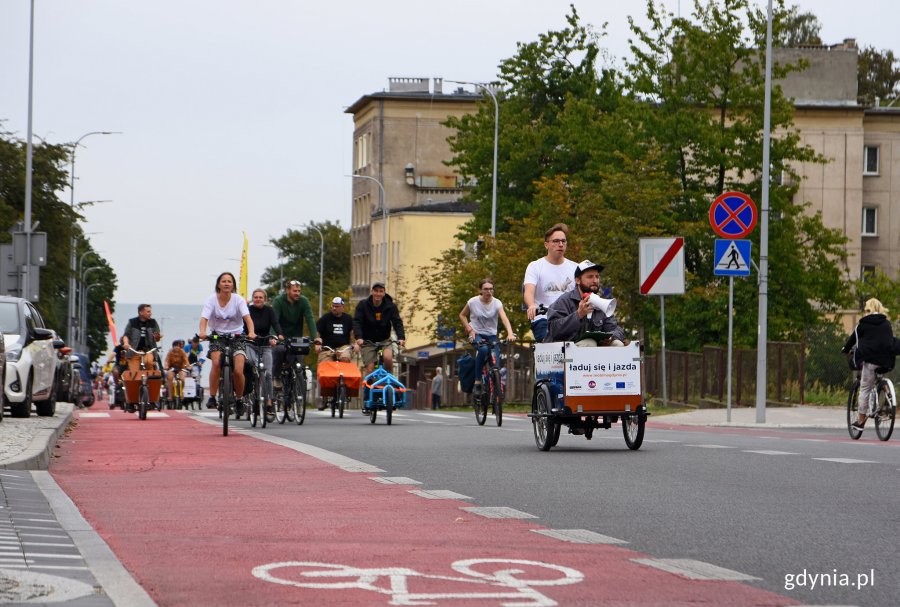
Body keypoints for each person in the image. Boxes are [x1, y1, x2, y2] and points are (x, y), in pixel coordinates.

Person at [198, 272, 256, 409]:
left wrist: (251, 332)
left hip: (237, 336)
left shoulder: (238, 300)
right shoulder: (212, 299)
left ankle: (239, 399)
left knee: (238, 370)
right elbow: (204, 318)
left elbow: (247, 318)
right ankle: (212, 397)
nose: (226, 284)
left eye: (229, 281)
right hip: (218, 336)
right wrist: (202, 332)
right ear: (218, 284)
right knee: (217, 364)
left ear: (233, 285)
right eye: (223, 281)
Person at [842, 298, 895, 431]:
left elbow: (852, 339)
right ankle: (887, 394)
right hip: (886, 360)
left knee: (865, 389)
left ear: (867, 310)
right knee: (879, 377)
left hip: (870, 360)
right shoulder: (887, 324)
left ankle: (860, 421)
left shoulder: (863, 324)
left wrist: (846, 350)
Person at [546, 260, 627, 346]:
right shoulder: (564, 301)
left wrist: (611, 337)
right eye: (590, 277)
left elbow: (615, 328)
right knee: (589, 343)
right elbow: (553, 330)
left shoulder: (601, 303)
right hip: (564, 350)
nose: (595, 280)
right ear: (577, 280)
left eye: (597, 277)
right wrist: (578, 315)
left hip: (591, 352)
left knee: (617, 343)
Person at [459, 278, 516, 396]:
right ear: (480, 290)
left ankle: (495, 387)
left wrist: (510, 333)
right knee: (484, 350)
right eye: (485, 289)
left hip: (491, 335)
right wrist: (469, 329)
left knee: (496, 359)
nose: (489, 292)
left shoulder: (497, 303)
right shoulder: (472, 302)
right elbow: (462, 315)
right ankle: (478, 382)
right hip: (476, 333)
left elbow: (504, 318)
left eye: (491, 289)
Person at [523, 223, 578, 343]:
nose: (560, 244)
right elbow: (528, 291)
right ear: (546, 245)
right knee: (551, 346)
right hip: (543, 318)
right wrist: (532, 305)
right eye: (556, 241)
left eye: (563, 241)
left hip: (568, 319)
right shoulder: (535, 266)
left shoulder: (575, 268)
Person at [272, 279, 317, 386]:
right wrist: (275, 336)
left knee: (299, 360)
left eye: (299, 291)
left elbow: (310, 318)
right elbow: (274, 320)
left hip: (296, 337)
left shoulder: (303, 301)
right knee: (279, 351)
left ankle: (298, 387)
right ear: (287, 290)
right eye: (295, 291)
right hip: (281, 336)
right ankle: (277, 377)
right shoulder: (279, 301)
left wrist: (315, 337)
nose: (297, 293)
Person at [353, 282, 406, 374]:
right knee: (370, 368)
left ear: (384, 293)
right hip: (367, 341)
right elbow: (357, 321)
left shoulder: (391, 307)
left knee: (388, 358)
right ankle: (369, 387)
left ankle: (388, 381)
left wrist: (401, 338)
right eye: (376, 291)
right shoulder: (363, 305)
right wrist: (359, 337)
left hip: (384, 340)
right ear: (372, 292)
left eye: (381, 291)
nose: (378, 294)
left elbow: (397, 322)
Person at [246, 288, 281, 411]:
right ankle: (251, 393)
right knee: (250, 363)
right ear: (253, 299)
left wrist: (279, 334)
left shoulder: (269, 311)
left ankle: (269, 402)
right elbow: (242, 324)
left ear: (264, 299)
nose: (258, 299)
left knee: (268, 374)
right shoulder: (248, 310)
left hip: (265, 344)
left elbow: (275, 323)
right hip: (250, 344)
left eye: (260, 297)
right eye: (256, 297)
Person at [315, 297, 357, 363]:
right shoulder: (325, 318)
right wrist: (317, 343)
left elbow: (353, 332)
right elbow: (317, 331)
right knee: (326, 365)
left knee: (345, 358)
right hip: (327, 349)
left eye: (337, 306)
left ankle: (344, 373)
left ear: (342, 307)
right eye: (333, 306)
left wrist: (355, 343)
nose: (334, 308)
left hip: (343, 348)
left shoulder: (348, 319)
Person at [121, 304, 162, 371]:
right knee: (134, 374)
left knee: (148, 362)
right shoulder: (132, 322)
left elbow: (157, 338)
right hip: (134, 352)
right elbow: (126, 335)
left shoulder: (153, 322)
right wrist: (126, 343)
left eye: (150, 311)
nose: (150, 313)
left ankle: (149, 379)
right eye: (148, 312)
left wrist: (157, 337)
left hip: (148, 351)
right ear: (141, 312)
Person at [164, 339, 190, 404]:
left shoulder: (182, 352)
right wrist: (166, 366)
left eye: (178, 346)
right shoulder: (170, 353)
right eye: (175, 346)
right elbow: (166, 360)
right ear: (173, 347)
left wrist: (188, 366)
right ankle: (170, 395)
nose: (177, 348)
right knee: (169, 377)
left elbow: (186, 360)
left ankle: (182, 392)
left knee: (182, 379)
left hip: (180, 368)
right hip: (172, 368)